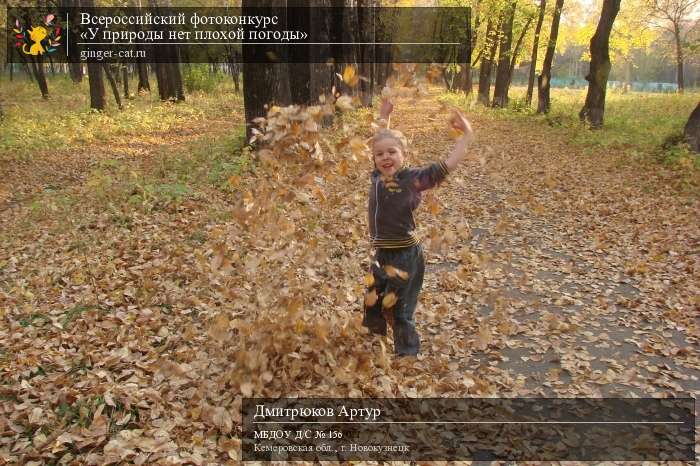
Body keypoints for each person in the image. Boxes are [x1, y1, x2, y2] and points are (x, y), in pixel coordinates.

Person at [362, 97, 474, 356]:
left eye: (392, 152)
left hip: (405, 256)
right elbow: (381, 141)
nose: (385, 157)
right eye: (379, 154)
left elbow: (445, 167)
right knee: (372, 299)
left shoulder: (413, 179)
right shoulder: (378, 175)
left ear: (404, 155)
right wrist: (384, 116)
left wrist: (466, 136)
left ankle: (407, 354)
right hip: (381, 254)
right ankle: (373, 343)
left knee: (400, 308)